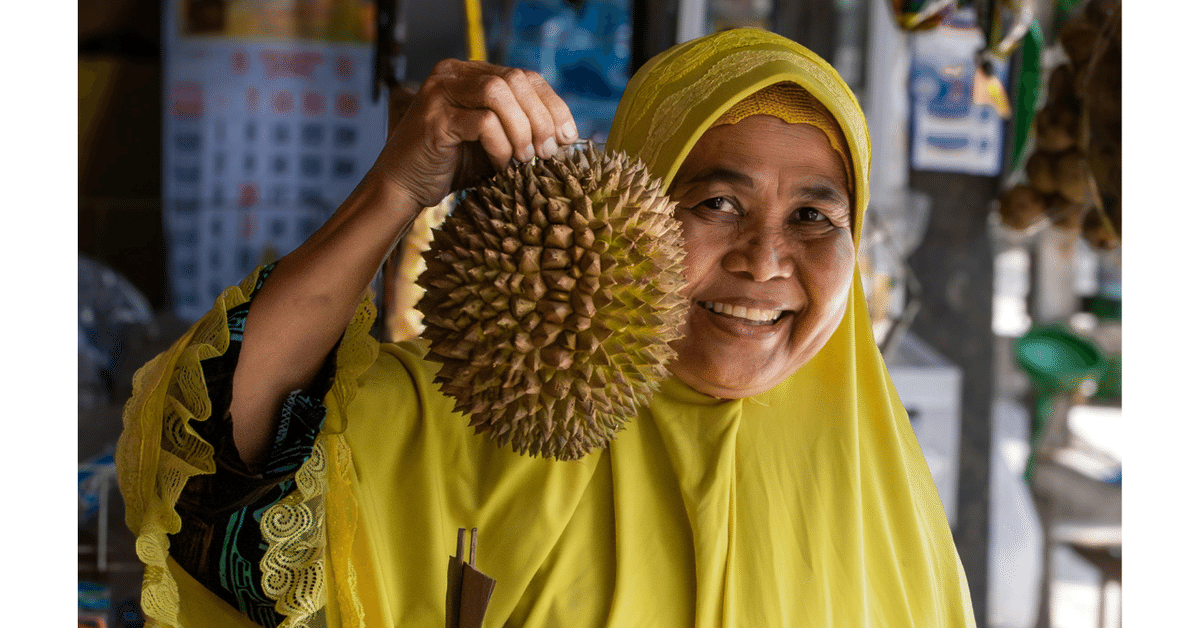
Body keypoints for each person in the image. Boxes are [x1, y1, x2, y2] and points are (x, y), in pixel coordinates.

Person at [117, 27, 976, 627]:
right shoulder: (493, 415)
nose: (764, 260)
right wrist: (395, 190)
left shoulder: (896, 521)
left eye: (815, 219)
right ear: (634, 215)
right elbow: (205, 461)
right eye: (717, 202)